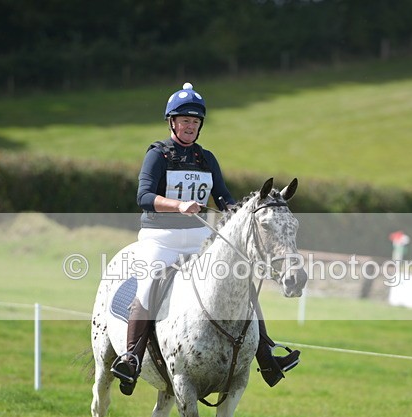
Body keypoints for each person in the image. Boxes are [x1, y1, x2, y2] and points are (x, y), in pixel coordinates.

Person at [110, 82, 300, 396]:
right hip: (161, 239)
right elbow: (143, 196)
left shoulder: (206, 159)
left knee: (243, 286)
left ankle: (266, 353)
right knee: (149, 285)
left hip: (200, 239)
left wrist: (247, 212)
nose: (190, 126)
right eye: (184, 121)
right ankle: (131, 357)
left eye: (195, 122)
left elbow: (225, 199)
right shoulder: (158, 155)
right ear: (172, 122)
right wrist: (178, 205)